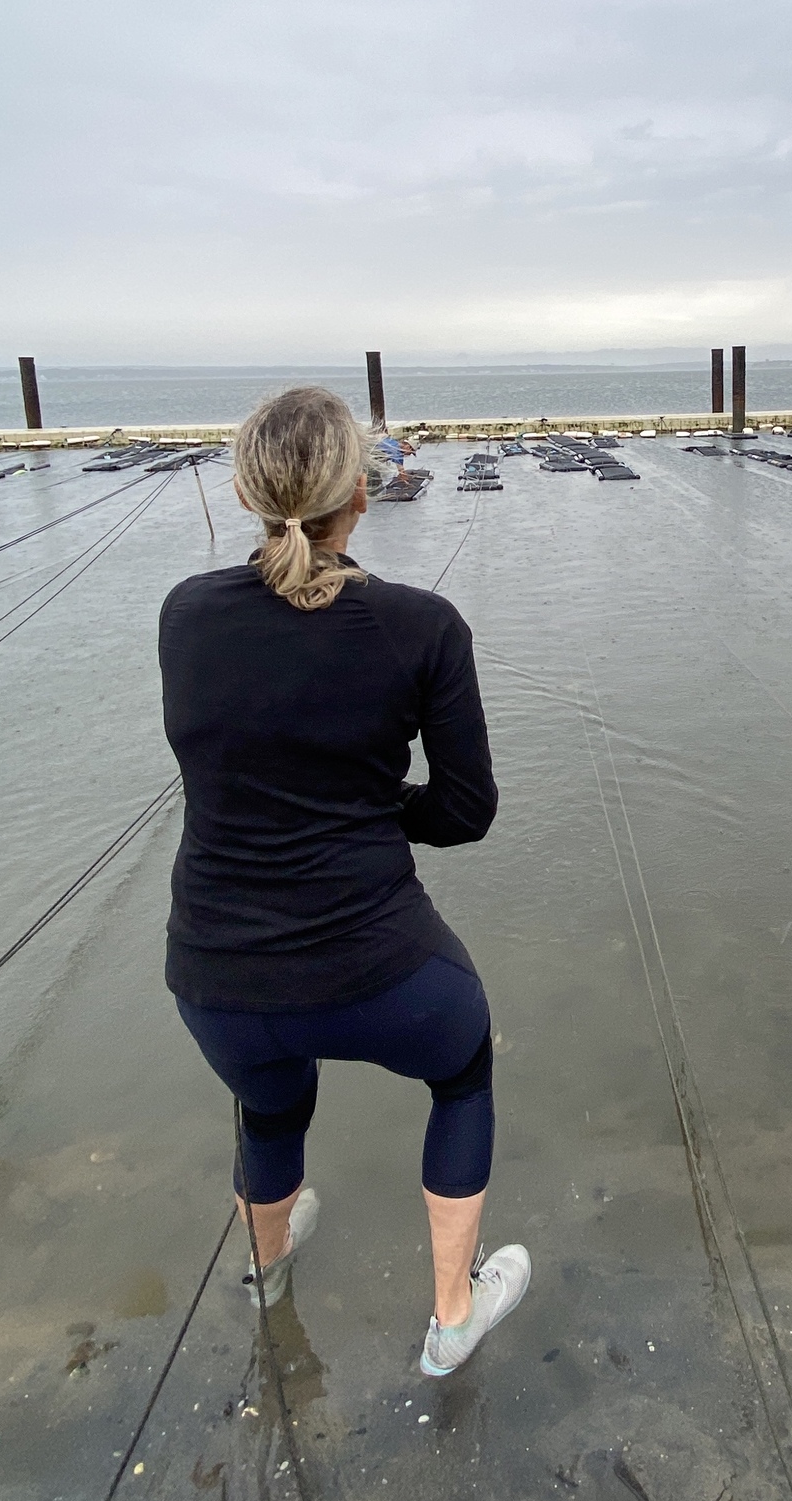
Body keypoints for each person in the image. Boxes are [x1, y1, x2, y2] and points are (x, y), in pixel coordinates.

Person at [158, 385, 528, 1378]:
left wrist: (325, 801)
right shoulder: (423, 626)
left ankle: (268, 1266)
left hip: (217, 979)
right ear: (359, 493)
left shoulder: (186, 613)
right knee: (463, 1072)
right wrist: (367, 810)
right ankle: (451, 1316)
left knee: (271, 1108)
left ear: (245, 491)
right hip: (382, 973)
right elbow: (465, 810)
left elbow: (231, 761)